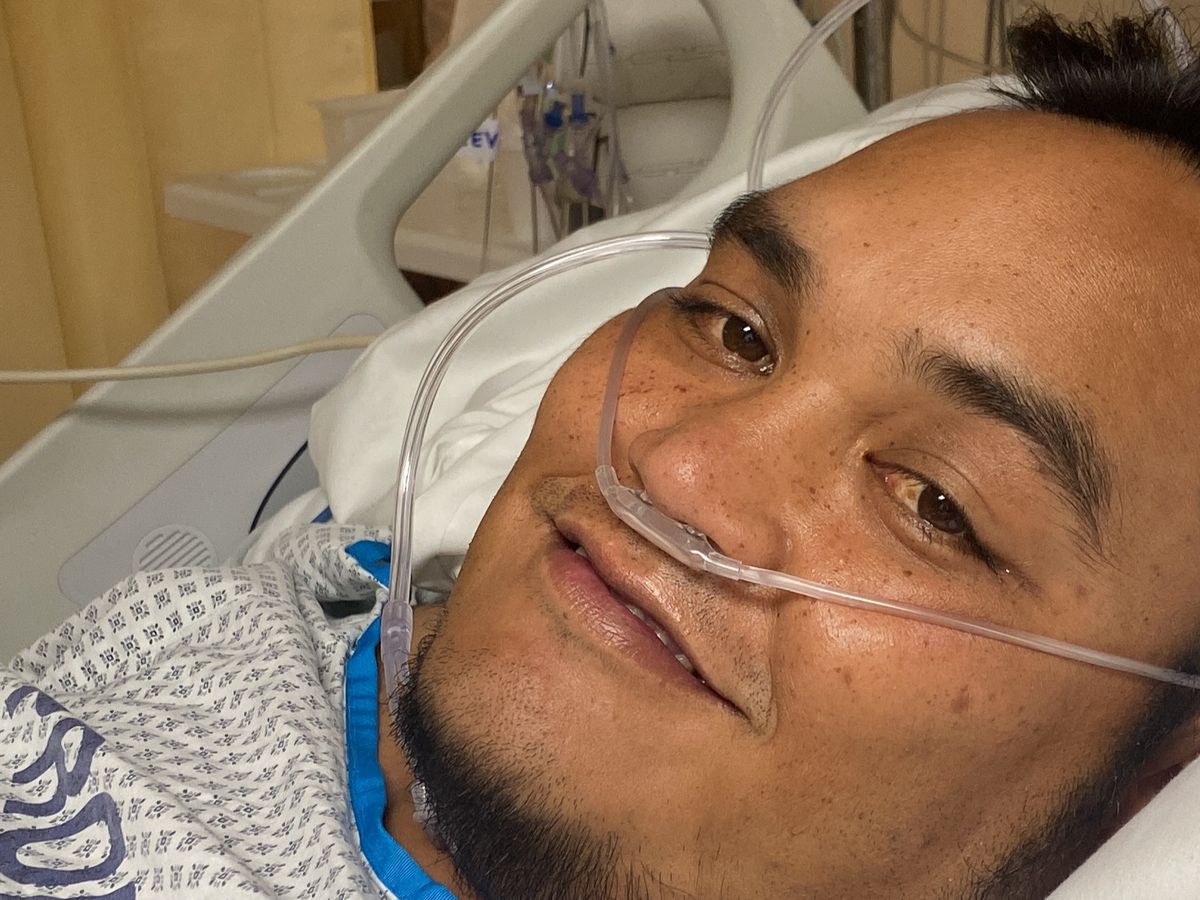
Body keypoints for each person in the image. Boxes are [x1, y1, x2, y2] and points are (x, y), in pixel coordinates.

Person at [4, 8, 1200, 899]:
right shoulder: (224, 646)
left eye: (934, 501)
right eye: (735, 330)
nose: (678, 468)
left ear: (1153, 774)